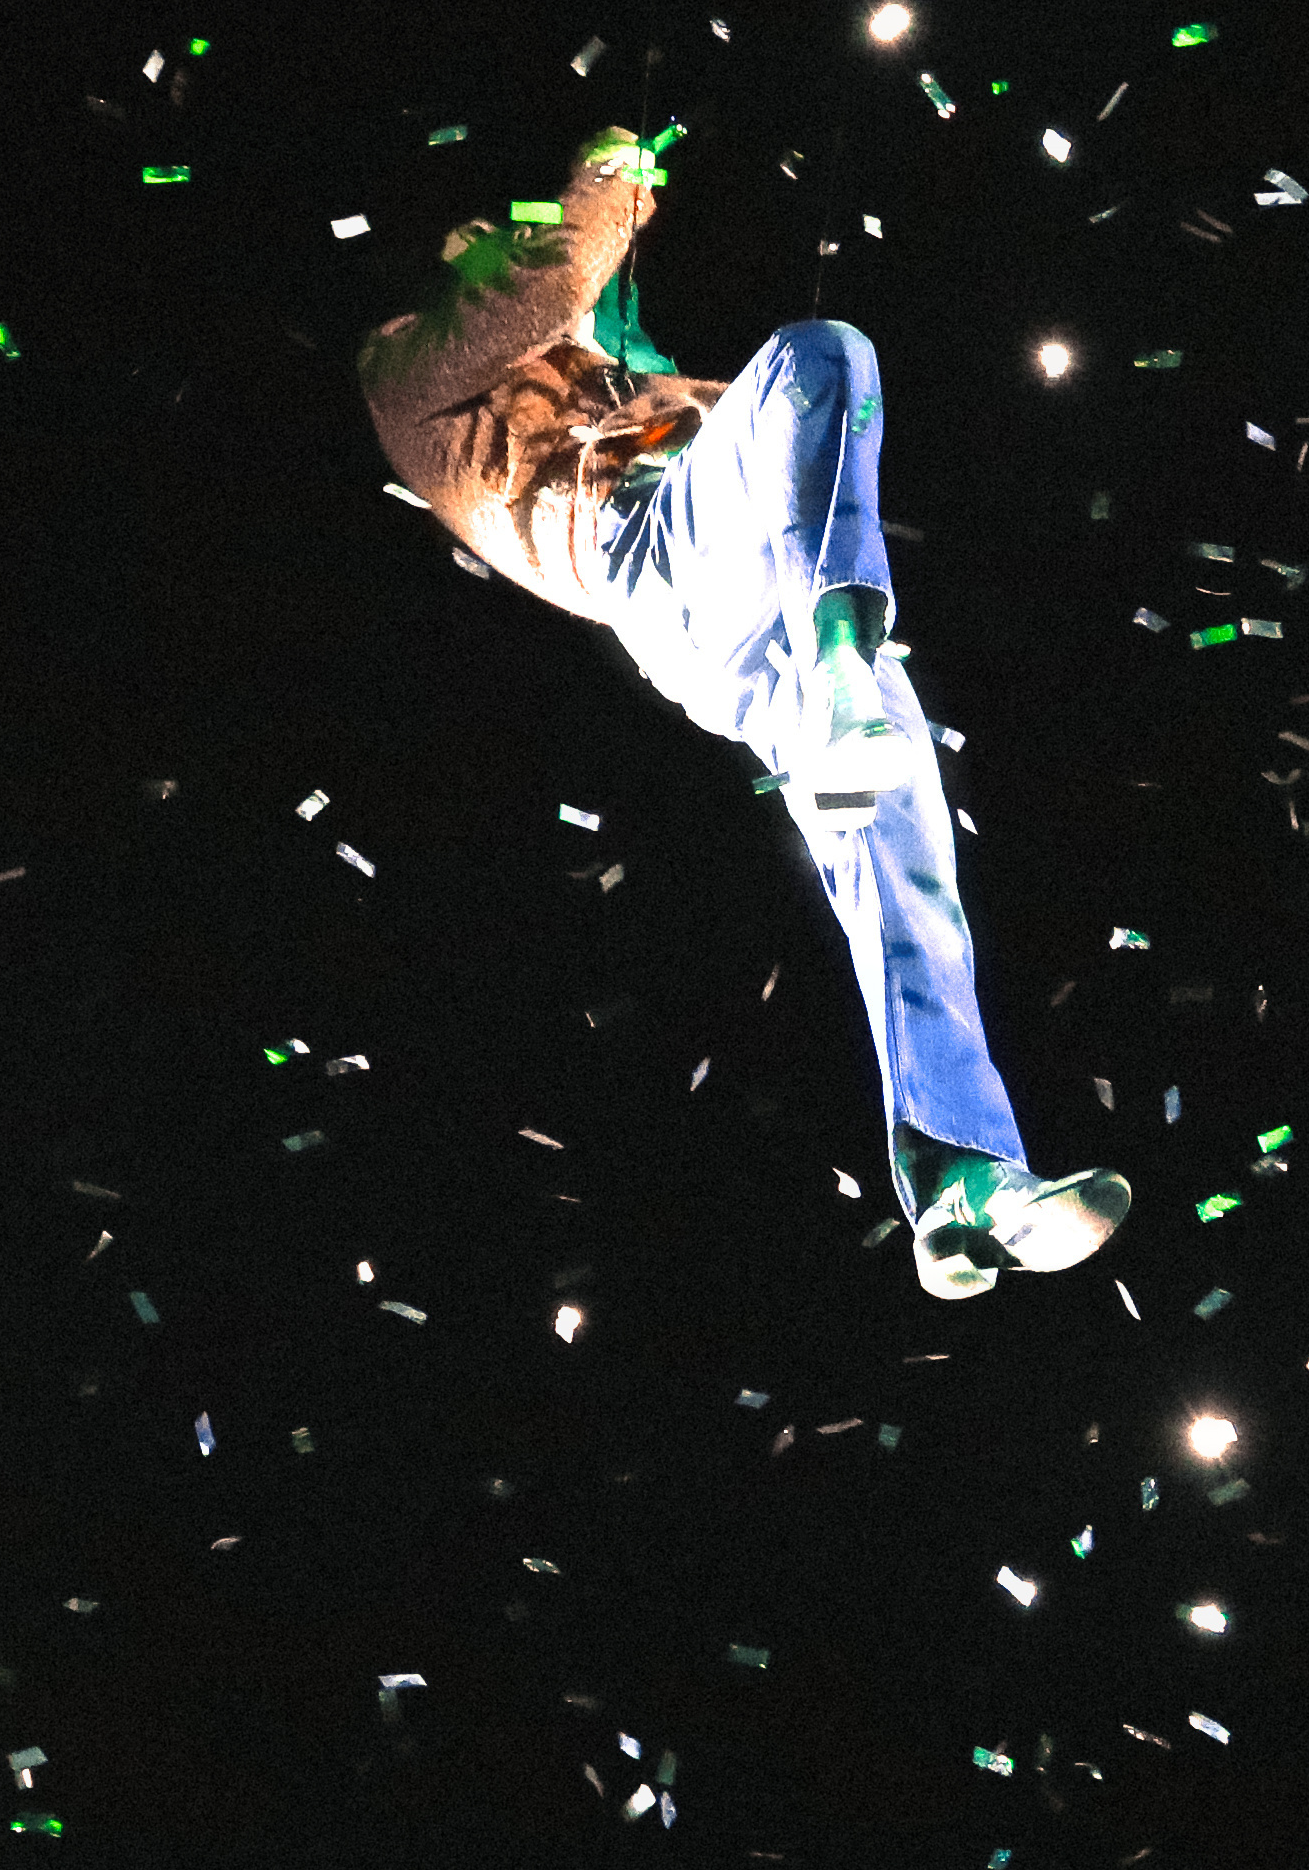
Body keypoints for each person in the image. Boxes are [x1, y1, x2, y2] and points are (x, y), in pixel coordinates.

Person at [357, 124, 1126, 1301]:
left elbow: (621, 327)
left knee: (907, 875)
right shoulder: (408, 374)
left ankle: (965, 1184)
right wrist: (602, 177)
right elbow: (556, 271)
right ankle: (838, 671)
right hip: (657, 560)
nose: (499, 247)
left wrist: (633, 217)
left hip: (735, 607)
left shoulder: (585, 359)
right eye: (480, 242)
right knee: (825, 350)